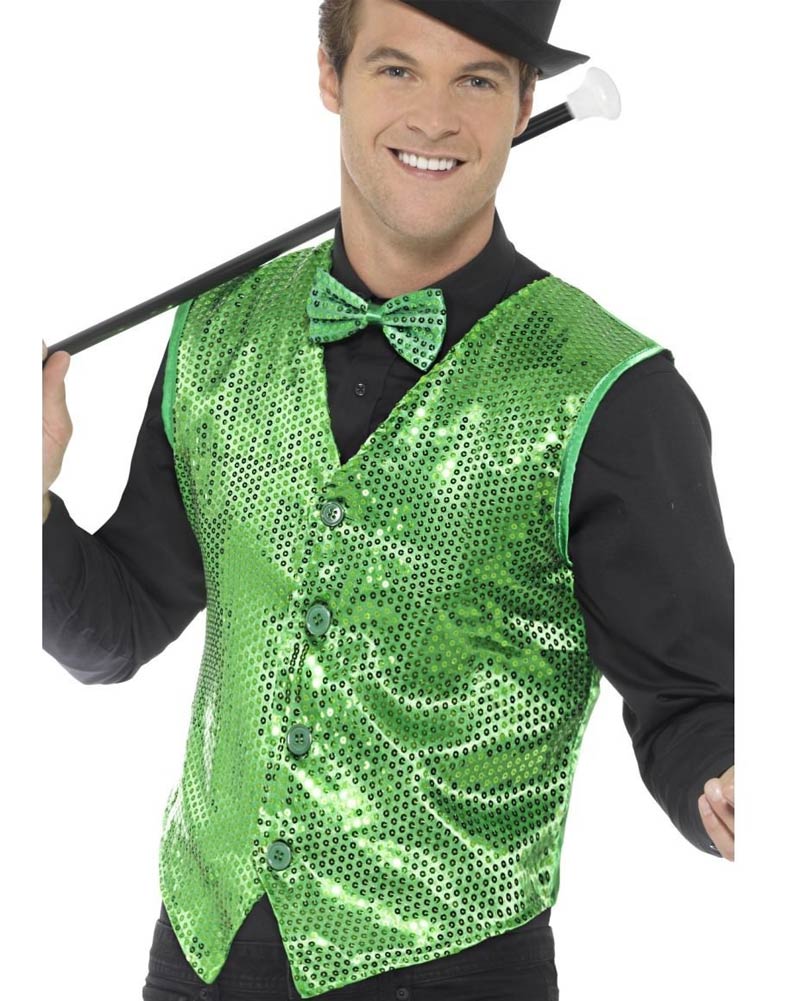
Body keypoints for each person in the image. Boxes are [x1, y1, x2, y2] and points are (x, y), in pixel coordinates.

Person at [41, 1, 735, 999]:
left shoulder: (614, 395)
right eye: (397, 69)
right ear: (332, 75)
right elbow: (117, 629)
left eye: (477, 79)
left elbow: (696, 700)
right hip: (197, 959)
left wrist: (730, 778)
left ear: (523, 104)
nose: (435, 117)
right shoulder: (217, 334)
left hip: (455, 974)